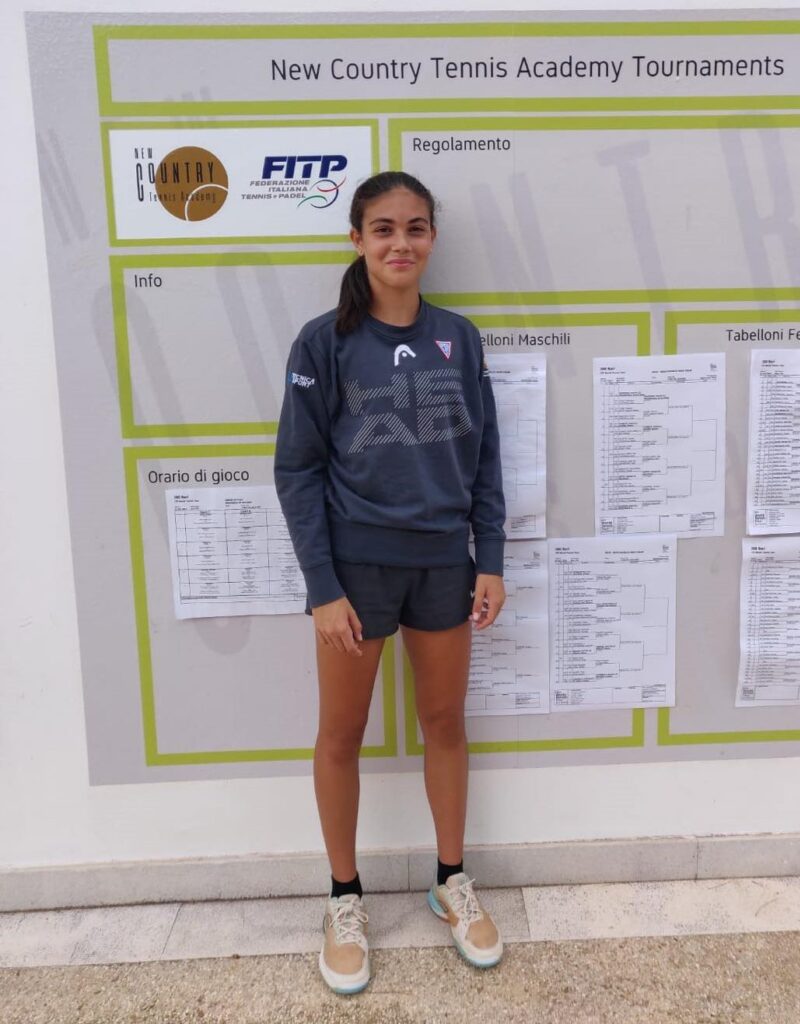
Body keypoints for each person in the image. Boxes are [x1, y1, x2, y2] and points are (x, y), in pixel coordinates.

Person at [274, 171, 507, 995]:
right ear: (357, 240)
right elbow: (296, 471)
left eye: (414, 227)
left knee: (444, 723)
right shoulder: (323, 343)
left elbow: (484, 457)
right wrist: (321, 587)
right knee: (341, 734)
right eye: (383, 228)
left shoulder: (459, 338)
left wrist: (489, 556)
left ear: (431, 239)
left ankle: (450, 881)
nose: (399, 242)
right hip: (355, 571)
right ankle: (344, 898)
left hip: (443, 563)